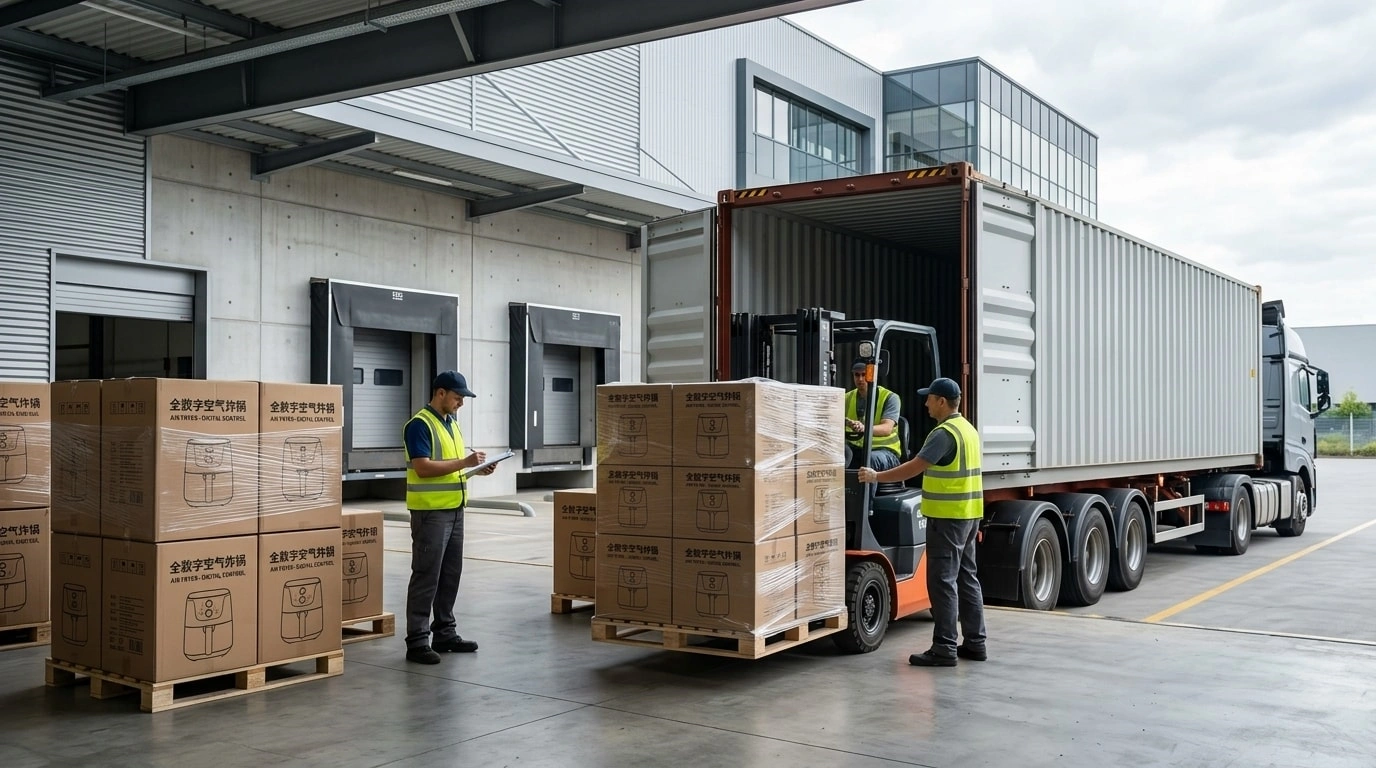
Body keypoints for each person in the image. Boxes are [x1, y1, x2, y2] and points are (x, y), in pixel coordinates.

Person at [856, 377, 986, 668]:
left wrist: (875, 476)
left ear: (942, 401)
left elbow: (915, 466)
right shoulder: (968, 430)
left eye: (929, 398)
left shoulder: (944, 433)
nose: (925, 403)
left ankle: (944, 648)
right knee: (967, 578)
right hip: (969, 515)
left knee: (942, 581)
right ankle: (976, 642)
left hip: (948, 518)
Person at [402, 370, 496, 665]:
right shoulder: (419, 424)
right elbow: (424, 468)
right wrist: (467, 461)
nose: (461, 403)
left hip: (454, 509)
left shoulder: (451, 424)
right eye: (458, 397)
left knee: (450, 575)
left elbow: (451, 466)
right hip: (430, 512)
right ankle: (417, 642)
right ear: (440, 393)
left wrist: (477, 469)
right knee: (426, 576)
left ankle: (444, 632)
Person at [845, 359, 902, 471]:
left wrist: (864, 428)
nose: (860, 379)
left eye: (864, 374)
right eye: (857, 375)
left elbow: (887, 428)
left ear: (872, 374)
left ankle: (865, 489)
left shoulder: (890, 398)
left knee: (869, 460)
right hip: (856, 450)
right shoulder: (847, 398)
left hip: (885, 452)